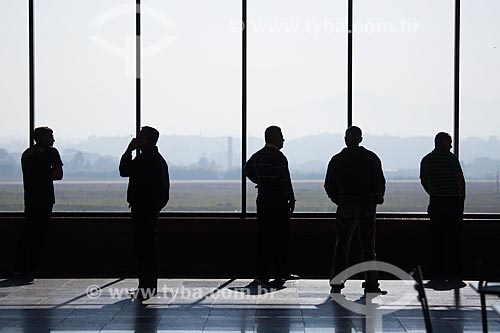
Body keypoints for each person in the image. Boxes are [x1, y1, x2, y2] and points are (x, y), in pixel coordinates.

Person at [324, 126, 386, 295]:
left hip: (346, 204)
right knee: (368, 245)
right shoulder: (371, 158)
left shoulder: (337, 160)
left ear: (345, 139)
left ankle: (337, 282)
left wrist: (339, 200)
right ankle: (371, 282)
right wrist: (375, 198)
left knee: (342, 244)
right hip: (367, 204)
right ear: (360, 139)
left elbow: (329, 185)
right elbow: (380, 182)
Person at [119, 126, 170, 299]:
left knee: (144, 249)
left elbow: (124, 171)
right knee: (148, 248)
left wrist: (128, 150)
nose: (137, 140)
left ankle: (145, 287)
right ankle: (149, 286)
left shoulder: (146, 159)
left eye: (140, 137)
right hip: (150, 209)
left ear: (147, 140)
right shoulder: (157, 159)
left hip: (143, 210)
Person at [244, 126, 296, 285]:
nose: (283, 139)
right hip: (278, 200)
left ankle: (262, 273)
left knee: (264, 236)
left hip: (263, 199)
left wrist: (260, 181)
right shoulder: (279, 157)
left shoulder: (257, 156)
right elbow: (284, 180)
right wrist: (291, 198)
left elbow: (247, 170)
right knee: (281, 236)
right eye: (281, 136)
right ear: (273, 137)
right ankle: (282, 272)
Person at [15, 127, 63, 275]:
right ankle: (35, 266)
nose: (53, 140)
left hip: (30, 197)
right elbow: (58, 175)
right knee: (41, 232)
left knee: (28, 231)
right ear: (42, 138)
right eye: (50, 137)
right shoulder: (51, 152)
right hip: (45, 197)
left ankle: (20, 266)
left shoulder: (26, 154)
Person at [420, 132, 466, 284]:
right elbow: (459, 179)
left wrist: (433, 192)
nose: (451, 145)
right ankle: (453, 273)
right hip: (452, 202)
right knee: (453, 239)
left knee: (436, 239)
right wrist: (462, 198)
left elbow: (424, 181)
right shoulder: (451, 159)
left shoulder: (426, 160)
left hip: (436, 202)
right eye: (449, 142)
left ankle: (437, 272)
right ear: (443, 143)